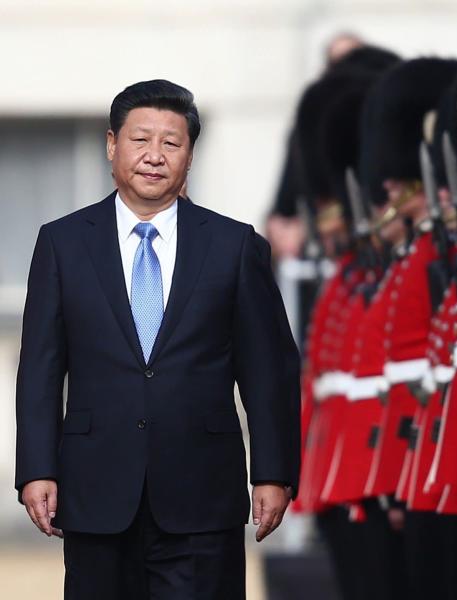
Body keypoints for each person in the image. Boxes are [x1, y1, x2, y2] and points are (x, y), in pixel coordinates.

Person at [15, 79, 301, 600]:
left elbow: (269, 371)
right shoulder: (62, 242)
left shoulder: (233, 246)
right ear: (111, 145)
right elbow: (39, 368)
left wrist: (273, 473)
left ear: (190, 155)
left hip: (202, 494)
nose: (154, 156)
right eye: (140, 140)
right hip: (95, 489)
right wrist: (36, 468)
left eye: (171, 143)